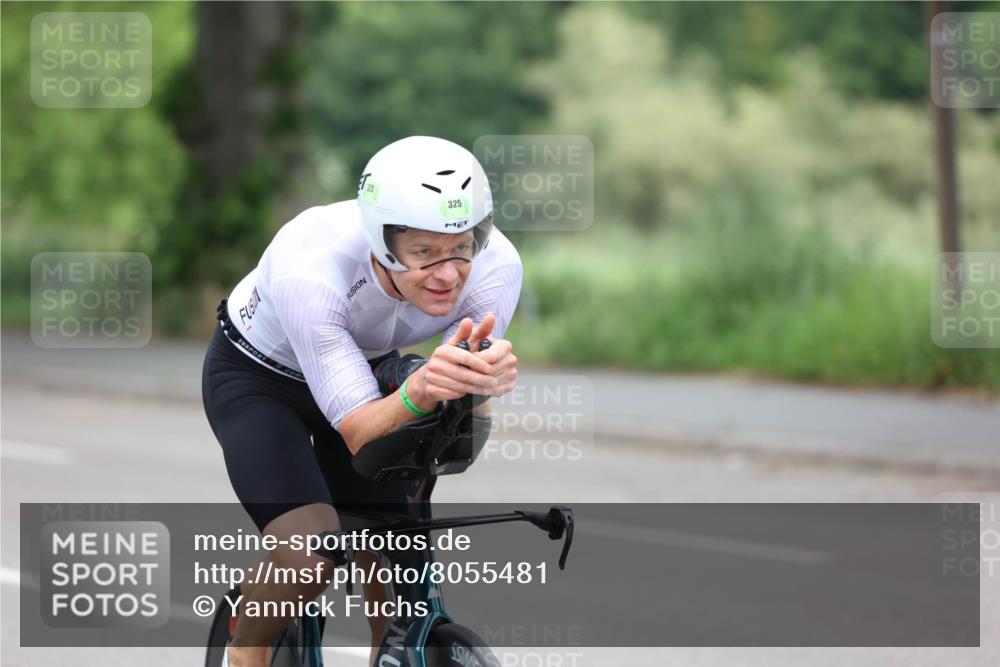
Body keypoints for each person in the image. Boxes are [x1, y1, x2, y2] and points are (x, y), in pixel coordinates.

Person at [201, 136, 522, 667]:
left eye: (460, 247)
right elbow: (358, 429)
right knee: (310, 554)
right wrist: (420, 391)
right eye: (424, 253)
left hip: (364, 367)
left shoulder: (497, 266)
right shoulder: (311, 264)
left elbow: (455, 414)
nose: (447, 274)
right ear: (380, 241)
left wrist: (477, 382)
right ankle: (245, 651)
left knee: (392, 544)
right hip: (260, 378)